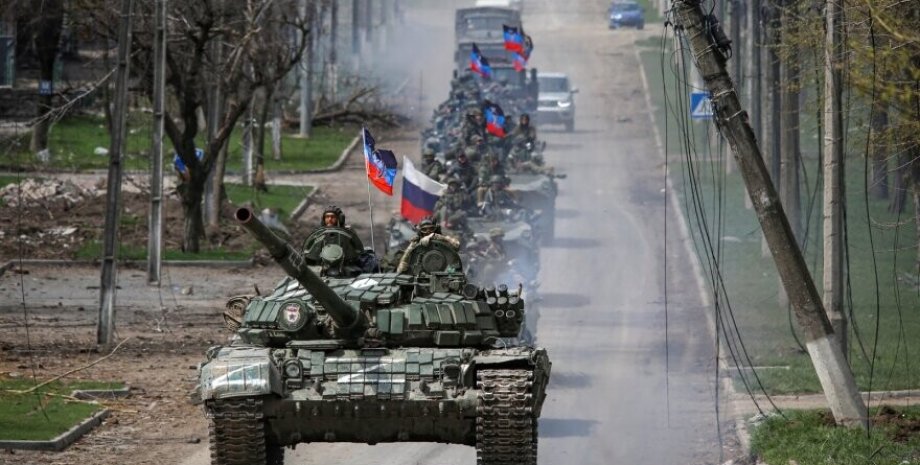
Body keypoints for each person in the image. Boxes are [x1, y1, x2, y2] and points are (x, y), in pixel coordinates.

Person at [395, 217, 460, 273]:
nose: (428, 231)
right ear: (420, 231)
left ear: (436, 229)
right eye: (424, 229)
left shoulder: (442, 238)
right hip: (422, 274)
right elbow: (406, 255)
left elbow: (457, 245)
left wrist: (437, 236)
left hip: (446, 271)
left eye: (431, 229)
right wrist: (402, 264)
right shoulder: (416, 242)